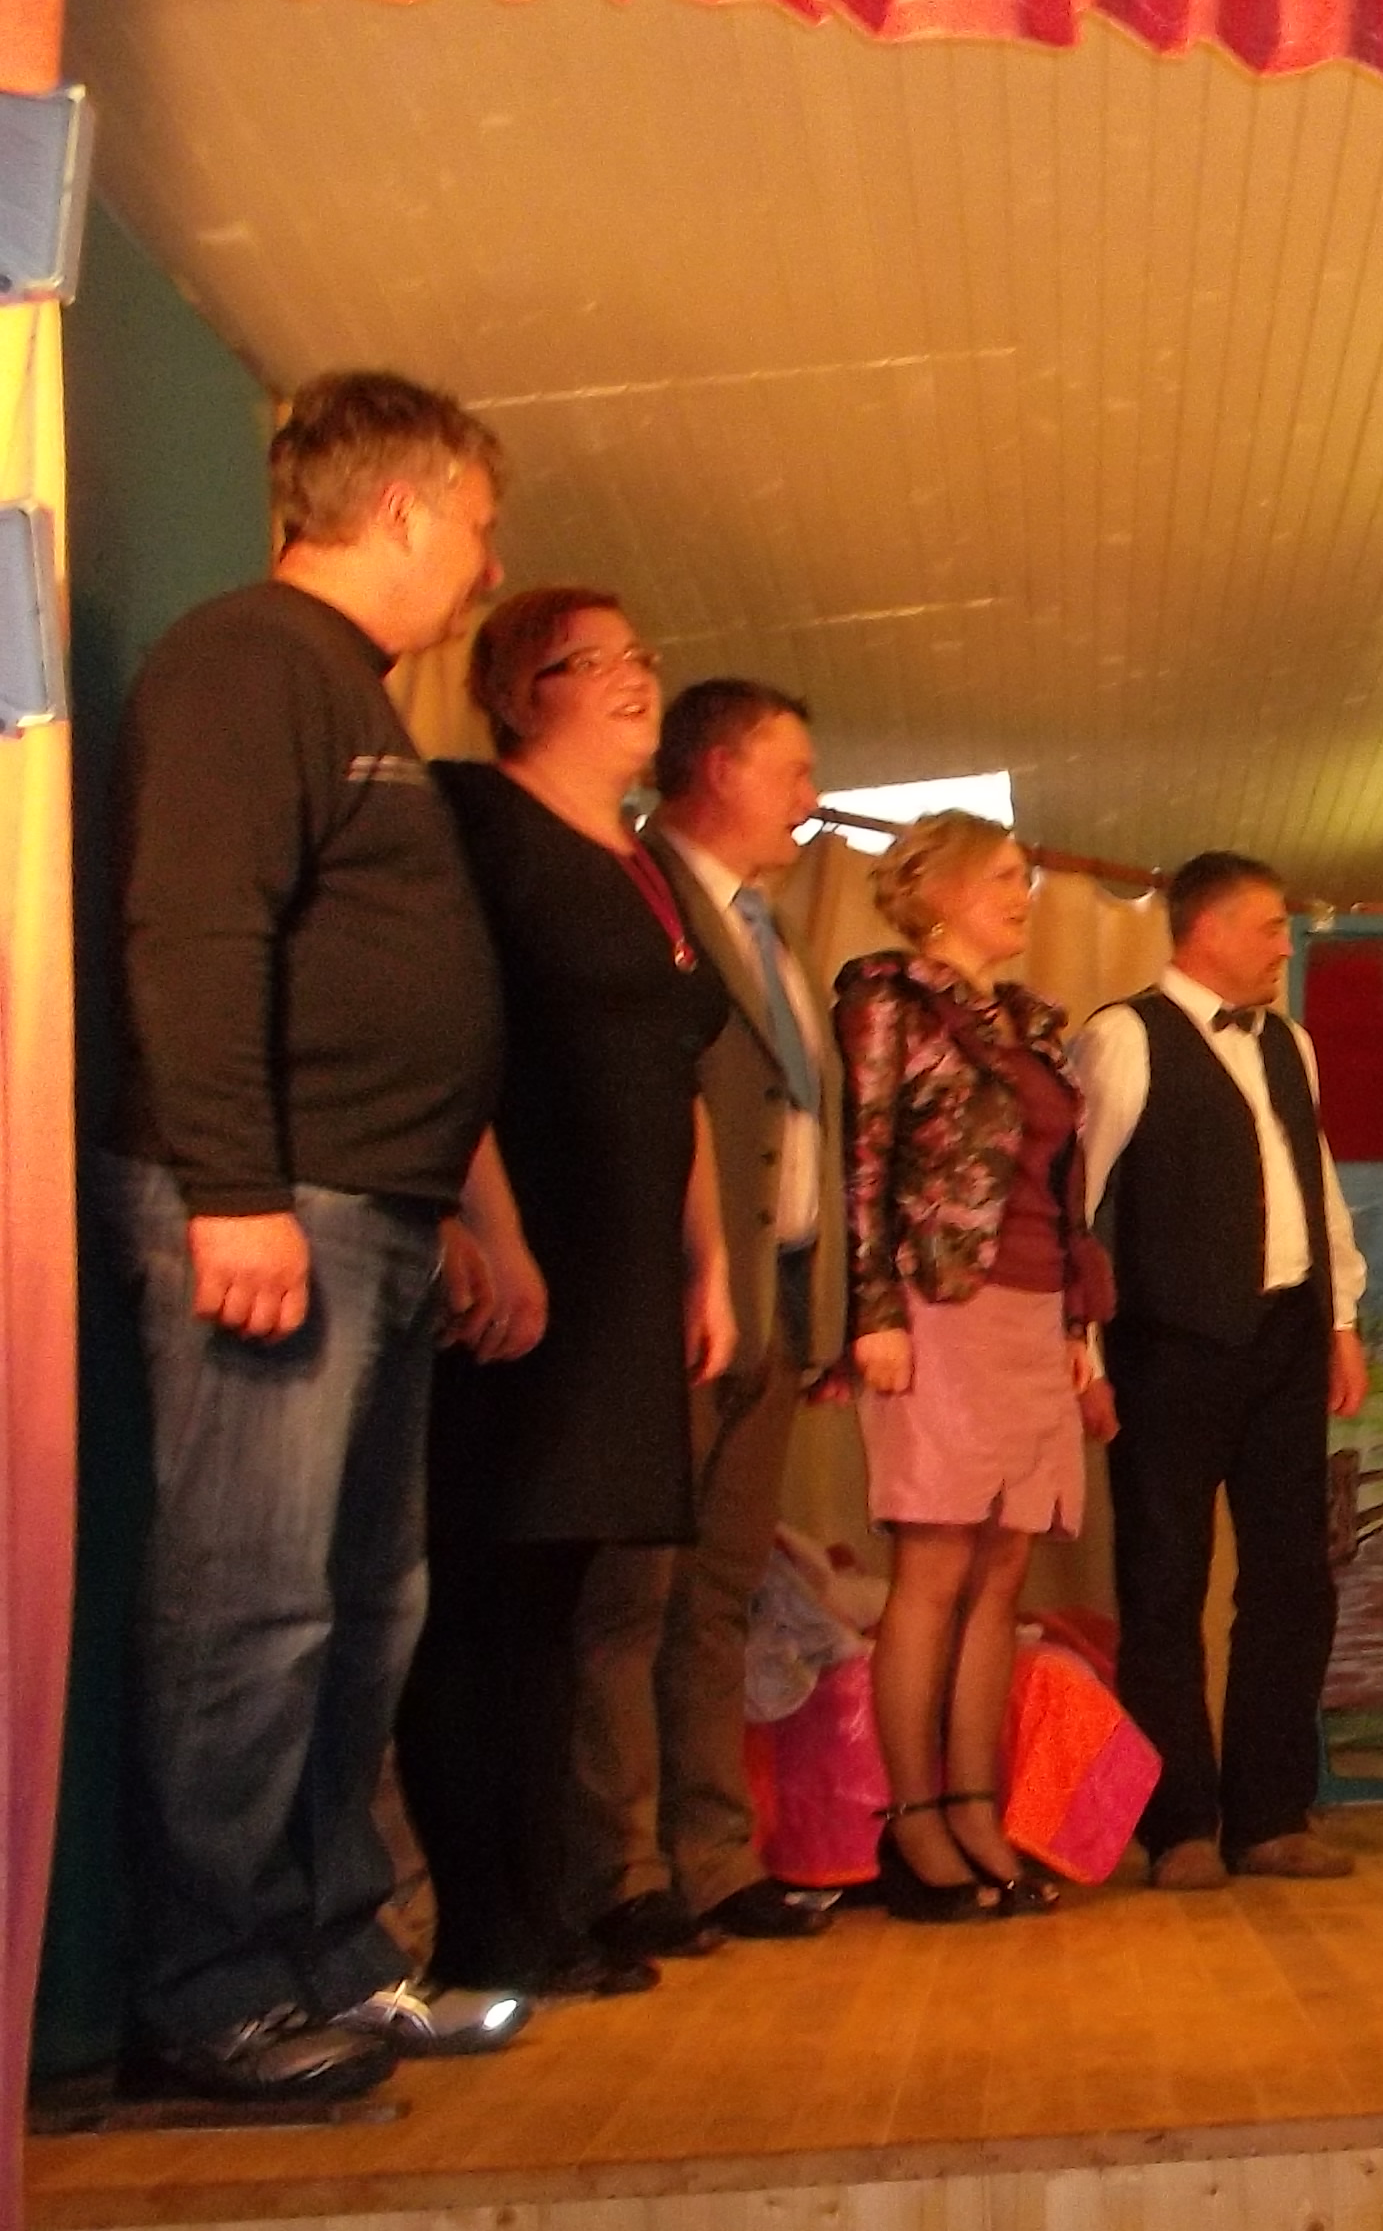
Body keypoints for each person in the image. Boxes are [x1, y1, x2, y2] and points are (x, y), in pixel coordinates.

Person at [100, 370, 515, 2100]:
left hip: (374, 1211)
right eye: (478, 528)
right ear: (403, 510)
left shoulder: (347, 690)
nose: (487, 569)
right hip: (279, 1206)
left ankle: (339, 1956)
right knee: (251, 1607)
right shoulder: (247, 660)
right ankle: (209, 1993)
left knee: (361, 1605)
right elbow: (196, 929)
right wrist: (235, 1189)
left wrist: (452, 1210)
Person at [395, 586, 738, 1996]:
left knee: (560, 1601)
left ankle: (546, 1911)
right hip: (530, 1258)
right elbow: (448, 1032)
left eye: (641, 653)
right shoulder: (475, 820)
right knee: (492, 1593)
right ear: (516, 691)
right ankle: (487, 1927)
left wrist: (710, 1263)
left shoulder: (644, 862)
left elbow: (681, 1077)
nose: (633, 676)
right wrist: (490, 1223)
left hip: (628, 1274)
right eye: (592, 661)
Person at [572, 679, 845, 1962]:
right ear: (723, 769)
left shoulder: (771, 931)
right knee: (631, 1594)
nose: (811, 800)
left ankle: (714, 1858)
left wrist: (821, 1313)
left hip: (772, 1308)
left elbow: (805, 1127)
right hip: (675, 1304)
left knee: (723, 1596)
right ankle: (619, 1869)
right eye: (795, 772)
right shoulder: (640, 893)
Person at [1071, 851, 1370, 1889]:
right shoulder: (1125, 1036)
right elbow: (1077, 1204)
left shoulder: (1290, 1044)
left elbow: (1314, 1184)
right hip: (1167, 1344)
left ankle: (1270, 1815)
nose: (1285, 946)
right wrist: (1084, 1351)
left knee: (1293, 1579)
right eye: (1269, 926)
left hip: (1287, 1335)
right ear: (1206, 929)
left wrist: (1340, 1320)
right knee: (1165, 1582)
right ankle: (1180, 1825)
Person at [836, 813, 1107, 1919]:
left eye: (1024, 877)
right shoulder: (891, 997)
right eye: (1001, 876)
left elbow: (1062, 1189)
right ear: (940, 889)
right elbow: (865, 1157)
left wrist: (1081, 1328)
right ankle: (913, 1824)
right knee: (936, 1565)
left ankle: (975, 1805)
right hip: (940, 1305)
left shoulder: (1034, 1024)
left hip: (1036, 1314)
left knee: (1003, 1572)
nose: (1020, 895)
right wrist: (873, 1310)